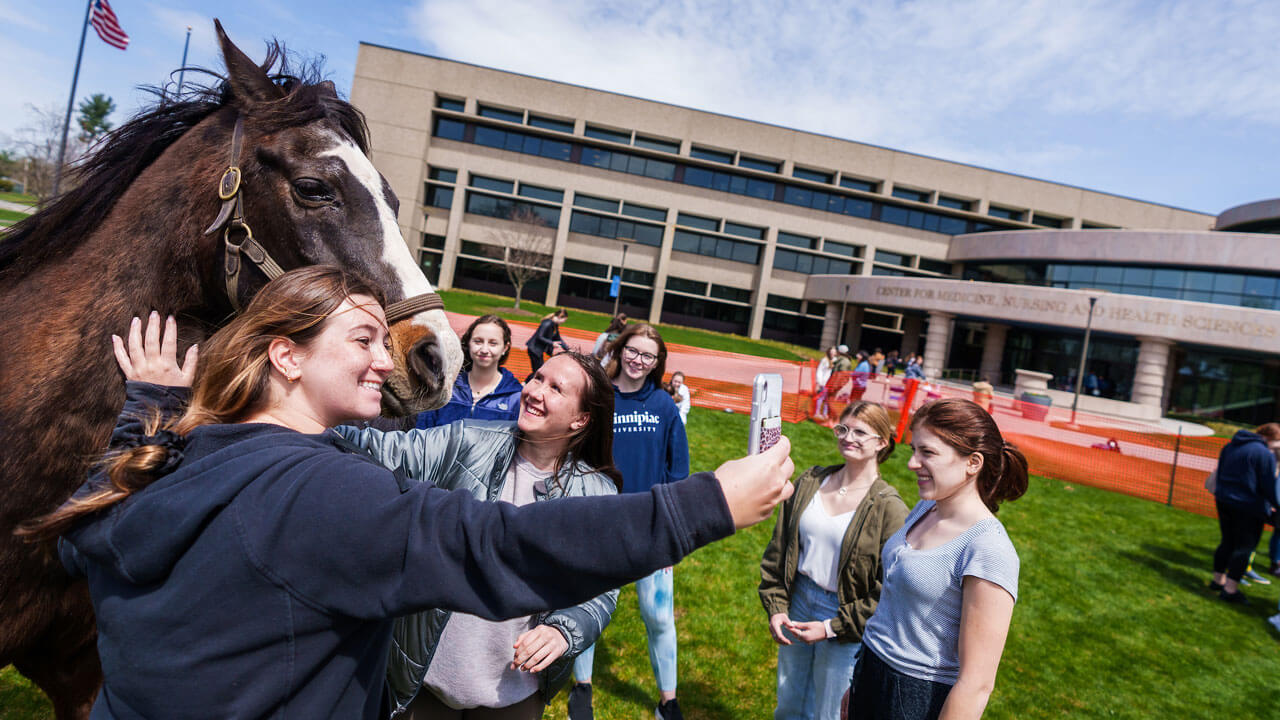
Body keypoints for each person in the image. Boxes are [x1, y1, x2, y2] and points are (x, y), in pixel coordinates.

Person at [21, 267, 796, 720]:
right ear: (285, 356)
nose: (387, 363)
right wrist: (706, 506)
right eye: (362, 340)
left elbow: (87, 530)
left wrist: (147, 413)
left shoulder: (176, 455)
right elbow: (496, 547)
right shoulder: (325, 499)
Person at [340, 351, 621, 718]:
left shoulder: (596, 494)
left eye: (555, 389)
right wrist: (301, 416)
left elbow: (600, 589)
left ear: (581, 419)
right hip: (425, 679)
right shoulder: (469, 439)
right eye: (537, 378)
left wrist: (564, 632)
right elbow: (380, 449)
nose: (535, 391)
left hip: (512, 692)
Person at [848, 398, 1027, 720]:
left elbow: (977, 683)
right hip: (871, 669)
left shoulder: (987, 549)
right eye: (914, 450)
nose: (912, 463)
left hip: (917, 696)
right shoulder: (925, 510)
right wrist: (857, 685)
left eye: (927, 453)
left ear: (973, 462)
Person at [570, 323, 689, 720]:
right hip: (599, 521)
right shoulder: (600, 399)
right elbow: (577, 455)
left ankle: (667, 700)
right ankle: (581, 688)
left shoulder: (664, 406)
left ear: (658, 363)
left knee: (658, 615)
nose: (639, 361)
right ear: (621, 351)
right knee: (586, 605)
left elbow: (679, 473)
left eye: (648, 356)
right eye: (633, 352)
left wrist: (673, 533)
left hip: (651, 527)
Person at [760, 401, 908, 720]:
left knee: (829, 713)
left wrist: (831, 627)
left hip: (845, 617)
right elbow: (779, 548)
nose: (847, 437)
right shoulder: (810, 481)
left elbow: (889, 591)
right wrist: (776, 606)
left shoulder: (889, 508)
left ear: (882, 442)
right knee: (788, 705)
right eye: (842, 428)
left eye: (859, 432)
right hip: (798, 601)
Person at [1209, 423, 1280, 604]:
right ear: (1271, 438)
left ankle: (1218, 580)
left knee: (1227, 541)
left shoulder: (1231, 445)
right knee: (1245, 548)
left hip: (1224, 500)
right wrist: (1277, 505)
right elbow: (1268, 485)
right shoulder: (1263, 454)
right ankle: (1230, 589)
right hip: (1248, 506)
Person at [416, 314, 522, 427]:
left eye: (493, 343)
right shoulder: (446, 387)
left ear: (505, 348)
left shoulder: (515, 398)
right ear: (468, 343)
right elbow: (422, 432)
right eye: (478, 341)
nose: (484, 349)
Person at [527, 308, 569, 374]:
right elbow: (539, 336)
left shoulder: (555, 325)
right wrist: (552, 343)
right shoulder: (547, 323)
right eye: (564, 320)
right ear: (560, 317)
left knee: (538, 371)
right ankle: (525, 383)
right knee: (538, 371)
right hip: (534, 349)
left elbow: (558, 338)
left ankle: (525, 383)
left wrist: (568, 349)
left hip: (538, 350)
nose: (564, 322)